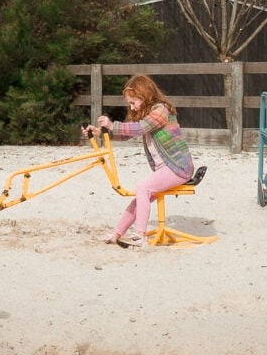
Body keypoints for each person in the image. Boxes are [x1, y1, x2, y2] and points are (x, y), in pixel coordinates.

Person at [83, 74, 195, 248]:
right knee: (140, 198)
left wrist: (113, 125)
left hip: (178, 167)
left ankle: (139, 235)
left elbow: (140, 128)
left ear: (145, 95)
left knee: (142, 188)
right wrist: (100, 132)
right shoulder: (147, 113)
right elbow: (128, 133)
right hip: (165, 169)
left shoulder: (161, 110)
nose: (132, 107)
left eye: (133, 102)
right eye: (130, 104)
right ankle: (116, 234)